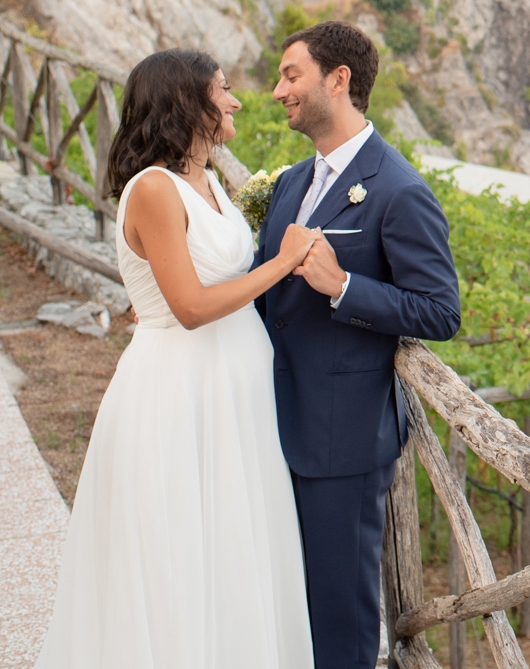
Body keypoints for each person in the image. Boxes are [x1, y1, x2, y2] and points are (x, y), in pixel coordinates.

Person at [34, 50, 327, 667]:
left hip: (235, 392)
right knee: (184, 550)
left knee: (236, 544)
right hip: (180, 392)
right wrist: (284, 262)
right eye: (222, 90)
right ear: (185, 102)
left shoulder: (209, 177)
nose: (236, 100)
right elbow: (190, 307)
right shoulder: (153, 190)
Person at [257, 21, 461, 669]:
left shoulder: (399, 188)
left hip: (342, 439)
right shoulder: (292, 181)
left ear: (337, 80)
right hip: (274, 423)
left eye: (291, 75)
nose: (277, 90)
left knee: (340, 619)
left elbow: (440, 309)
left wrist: (344, 285)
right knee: (286, 599)